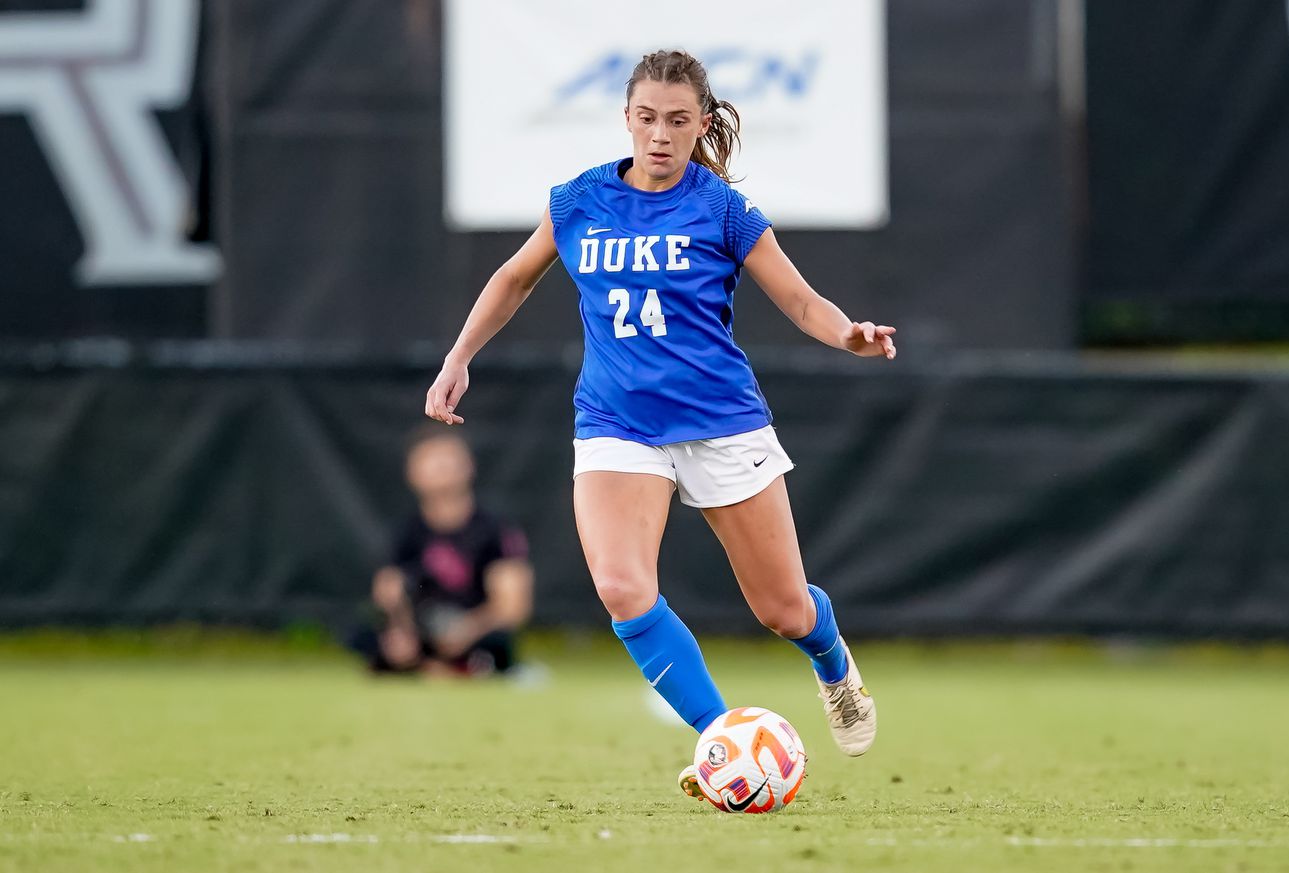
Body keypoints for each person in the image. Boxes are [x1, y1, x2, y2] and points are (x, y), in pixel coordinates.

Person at [423, 50, 895, 797]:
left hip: (720, 422)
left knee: (782, 607)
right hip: (617, 423)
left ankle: (832, 662)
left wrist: (849, 335)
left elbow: (803, 302)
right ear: (627, 120)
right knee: (620, 586)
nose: (661, 135)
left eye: (678, 121)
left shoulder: (721, 209)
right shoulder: (579, 200)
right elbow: (513, 276)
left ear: (701, 123)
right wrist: (459, 355)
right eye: (647, 118)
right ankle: (721, 738)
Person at [360, 428, 533, 677]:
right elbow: (387, 591)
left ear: (469, 466)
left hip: (474, 631)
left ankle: (443, 668)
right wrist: (402, 629)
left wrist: (466, 630)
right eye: (431, 461)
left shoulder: (495, 530)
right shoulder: (406, 532)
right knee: (367, 635)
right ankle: (435, 667)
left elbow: (513, 606)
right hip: (422, 629)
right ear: (412, 472)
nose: (441, 468)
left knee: (496, 643)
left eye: (448, 460)